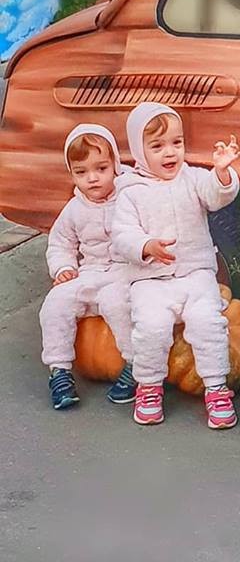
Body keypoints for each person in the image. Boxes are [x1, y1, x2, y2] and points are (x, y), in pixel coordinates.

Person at [112, 102, 240, 429]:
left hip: (196, 273)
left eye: (176, 143)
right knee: (151, 326)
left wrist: (222, 173)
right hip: (150, 280)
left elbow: (216, 196)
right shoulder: (130, 192)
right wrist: (146, 246)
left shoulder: (193, 178)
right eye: (157, 146)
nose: (170, 152)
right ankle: (149, 387)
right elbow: (122, 235)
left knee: (208, 322)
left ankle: (216, 388)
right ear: (139, 151)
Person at [40, 124, 136, 409]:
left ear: (115, 165)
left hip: (125, 272)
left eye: (101, 169)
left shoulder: (130, 197)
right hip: (90, 272)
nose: (92, 178)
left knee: (116, 304)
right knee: (55, 303)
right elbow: (60, 244)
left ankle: (137, 365)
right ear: (72, 174)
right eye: (81, 172)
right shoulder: (74, 209)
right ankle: (59, 371)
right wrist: (63, 268)